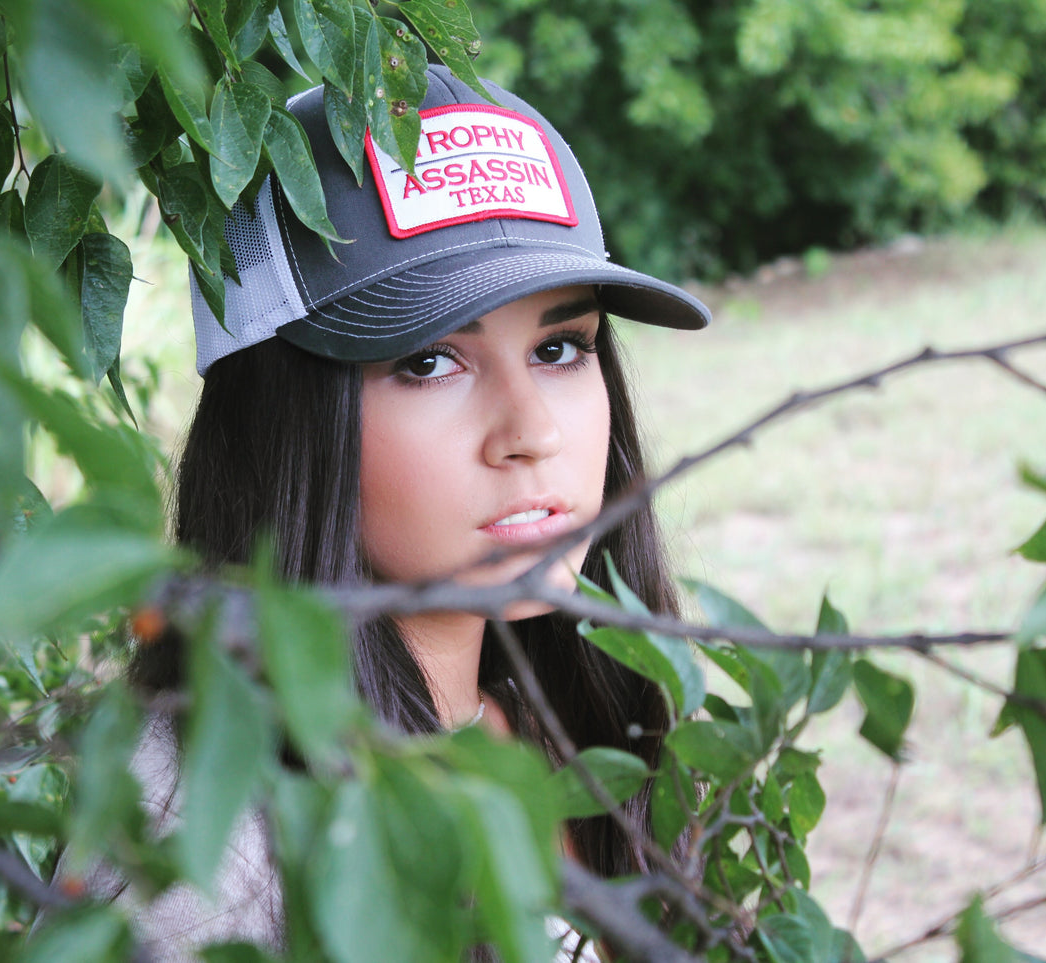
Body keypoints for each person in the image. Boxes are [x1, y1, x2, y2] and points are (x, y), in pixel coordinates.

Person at [115, 64, 710, 961]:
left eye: (560, 347)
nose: (531, 432)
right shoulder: (205, 855)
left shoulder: (582, 715)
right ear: (282, 423)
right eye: (429, 361)